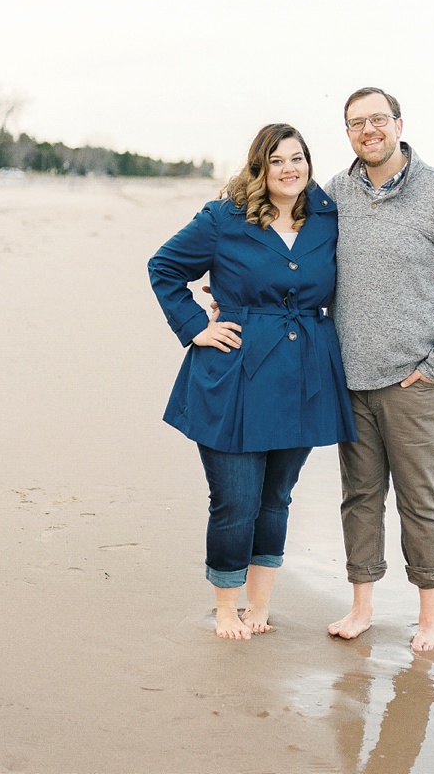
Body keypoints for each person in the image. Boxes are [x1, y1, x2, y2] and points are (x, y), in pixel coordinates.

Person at [148, 123, 357, 641]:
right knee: (235, 501)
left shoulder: (328, 217)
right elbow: (164, 267)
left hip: (305, 374)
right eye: (278, 160)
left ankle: (259, 605)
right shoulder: (224, 219)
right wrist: (197, 326)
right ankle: (225, 607)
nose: (291, 169)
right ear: (259, 167)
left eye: (298, 158)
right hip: (235, 373)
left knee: (276, 498)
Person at [325, 88, 434, 651]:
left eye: (377, 120)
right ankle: (362, 607)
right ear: (347, 133)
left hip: (416, 382)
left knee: (420, 499)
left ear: (398, 124)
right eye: (355, 123)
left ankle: (429, 616)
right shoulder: (336, 194)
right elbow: (289, 252)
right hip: (350, 379)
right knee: (360, 496)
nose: (367, 130)